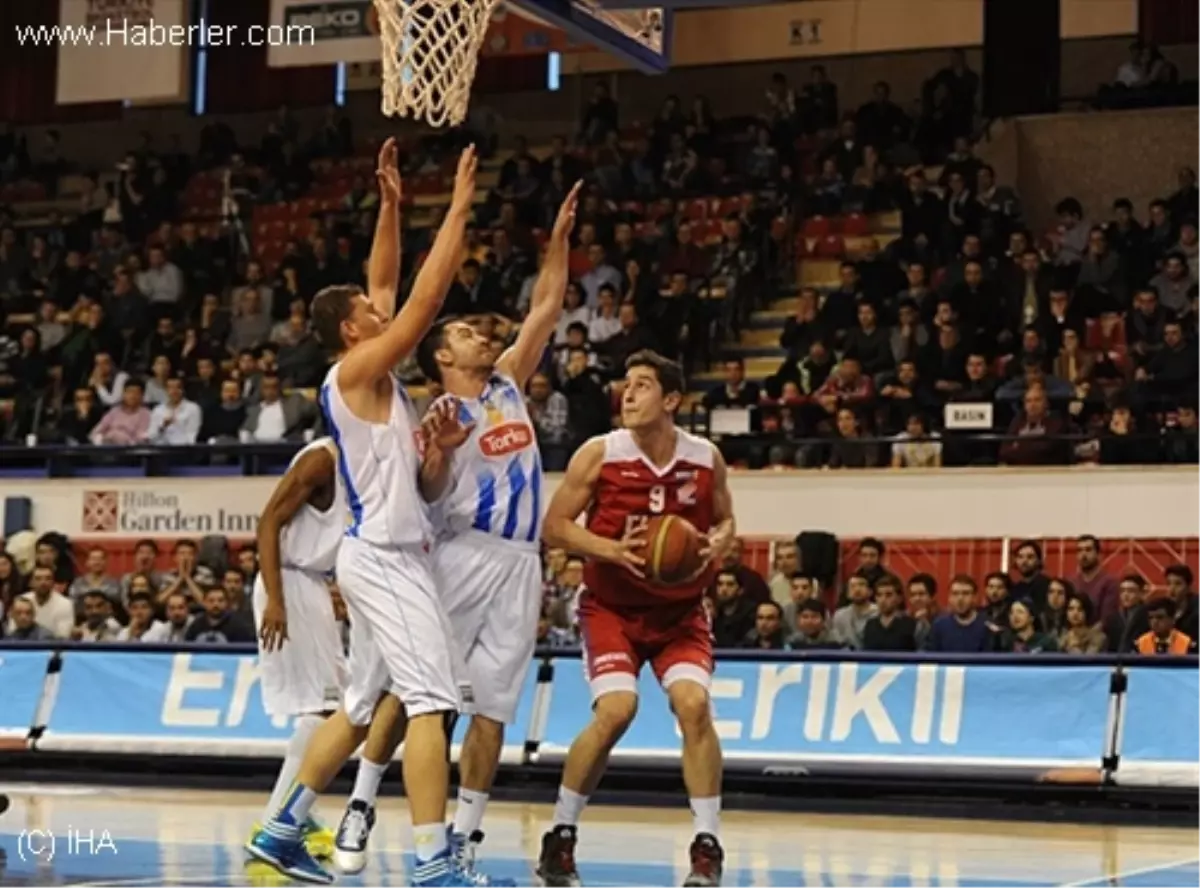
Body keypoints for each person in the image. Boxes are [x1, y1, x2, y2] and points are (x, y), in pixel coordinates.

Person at [248, 142, 500, 888]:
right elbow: (418, 303)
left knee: (358, 708)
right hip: (385, 559)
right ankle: (431, 864)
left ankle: (280, 829)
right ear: (352, 332)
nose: (375, 306)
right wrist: (456, 209)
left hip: (390, 552)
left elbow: (387, 279)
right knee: (430, 702)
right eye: (366, 311)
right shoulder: (352, 372)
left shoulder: (379, 377)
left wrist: (392, 205)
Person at [333, 183, 581, 877]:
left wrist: (558, 239)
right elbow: (431, 490)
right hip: (459, 554)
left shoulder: (507, 382)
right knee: (413, 691)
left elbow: (546, 307)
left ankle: (463, 841)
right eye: (466, 332)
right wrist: (438, 453)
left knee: (495, 706)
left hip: (520, 561)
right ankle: (360, 799)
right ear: (442, 355)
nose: (482, 335)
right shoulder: (428, 411)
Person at [537, 349, 736, 888]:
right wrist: (609, 548)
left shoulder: (705, 458)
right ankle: (560, 836)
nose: (627, 393)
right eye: (626, 384)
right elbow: (554, 527)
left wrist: (720, 539)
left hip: (679, 611)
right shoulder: (599, 454)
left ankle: (707, 843)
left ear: (671, 400)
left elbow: (724, 521)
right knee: (617, 711)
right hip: (613, 609)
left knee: (694, 706)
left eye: (643, 385)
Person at [244, 435, 347, 862]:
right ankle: (277, 821)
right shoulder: (322, 459)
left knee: (330, 708)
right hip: (287, 582)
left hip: (312, 584)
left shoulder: (363, 465)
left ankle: (293, 816)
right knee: (324, 710)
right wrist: (277, 599)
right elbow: (268, 522)